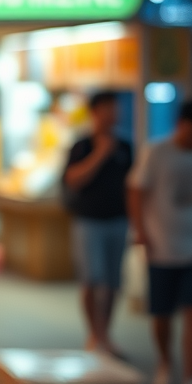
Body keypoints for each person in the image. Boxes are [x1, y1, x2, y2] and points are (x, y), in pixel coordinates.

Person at [128, 99, 192, 384]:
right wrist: (140, 230)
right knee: (162, 315)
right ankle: (166, 362)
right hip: (161, 247)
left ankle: (191, 380)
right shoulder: (156, 152)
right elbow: (137, 191)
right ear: (180, 125)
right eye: (191, 133)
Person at [62, 91, 133, 355]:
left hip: (118, 220)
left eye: (117, 107)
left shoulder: (125, 147)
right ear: (95, 112)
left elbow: (132, 187)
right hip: (88, 221)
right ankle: (94, 334)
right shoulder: (81, 145)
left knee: (113, 282)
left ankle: (106, 334)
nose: (115, 113)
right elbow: (72, 179)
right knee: (91, 280)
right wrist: (101, 154)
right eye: (109, 108)